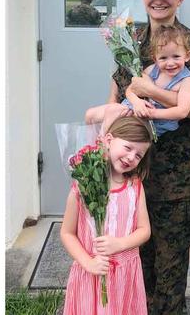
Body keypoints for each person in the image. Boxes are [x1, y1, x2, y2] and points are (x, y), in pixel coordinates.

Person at [110, 0, 190, 314]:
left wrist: (153, 91)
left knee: (170, 279)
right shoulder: (130, 42)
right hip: (133, 177)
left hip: (176, 182)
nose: (159, 0)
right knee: (136, 270)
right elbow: (114, 100)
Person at [60, 116, 153, 315]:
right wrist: (88, 263)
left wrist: (120, 244)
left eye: (139, 155)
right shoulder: (84, 185)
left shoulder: (135, 186)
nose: (131, 157)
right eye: (128, 148)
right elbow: (67, 233)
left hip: (124, 276)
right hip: (92, 272)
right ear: (109, 140)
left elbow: (145, 230)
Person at [85, 25, 190, 138]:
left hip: (154, 122)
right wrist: (136, 102)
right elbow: (130, 90)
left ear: (187, 56)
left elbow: (182, 111)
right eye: (163, 58)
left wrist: (151, 114)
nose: (170, 63)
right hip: (133, 108)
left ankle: (103, 143)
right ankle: (92, 148)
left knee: (113, 120)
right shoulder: (152, 70)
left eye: (176, 56)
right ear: (155, 58)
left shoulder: (186, 80)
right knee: (90, 115)